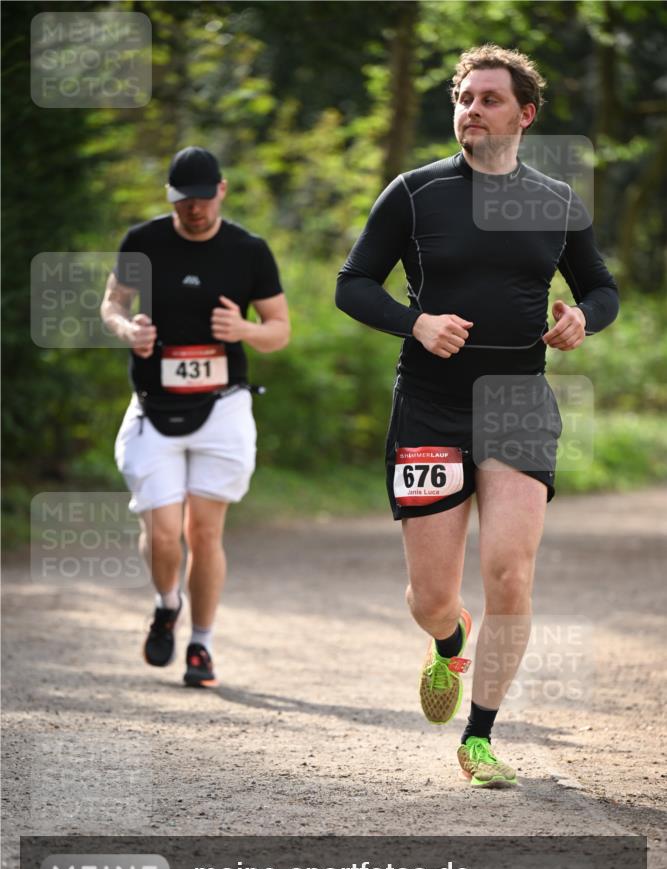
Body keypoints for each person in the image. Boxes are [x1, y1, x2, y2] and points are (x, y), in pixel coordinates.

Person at [336, 46, 618, 787]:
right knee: (430, 597)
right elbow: (353, 284)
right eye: (463, 98)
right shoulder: (415, 193)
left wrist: (581, 319)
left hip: (519, 399)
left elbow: (602, 289)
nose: (470, 109)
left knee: (509, 574)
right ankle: (447, 641)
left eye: (488, 99)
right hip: (430, 402)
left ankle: (480, 738)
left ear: (523, 114)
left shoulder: (555, 201)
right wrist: (416, 323)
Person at [101, 146, 290, 687]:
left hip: (222, 407)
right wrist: (125, 330)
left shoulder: (248, 250)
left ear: (222, 191)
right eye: (185, 202)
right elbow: (111, 303)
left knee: (204, 535)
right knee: (163, 535)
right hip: (153, 408)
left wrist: (245, 331)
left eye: (204, 200)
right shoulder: (144, 242)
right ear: (171, 199)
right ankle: (167, 604)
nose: (195, 211)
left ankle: (201, 646)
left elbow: (280, 329)